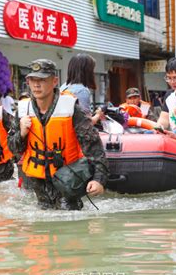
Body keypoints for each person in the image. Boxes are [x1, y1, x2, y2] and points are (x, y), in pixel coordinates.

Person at [8, 59, 108, 210]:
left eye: (42, 80)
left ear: (54, 81)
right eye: (32, 80)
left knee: (69, 218)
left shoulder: (71, 108)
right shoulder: (22, 110)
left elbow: (93, 144)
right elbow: (12, 148)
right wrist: (21, 133)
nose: (36, 84)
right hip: (37, 181)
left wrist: (99, 179)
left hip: (68, 178)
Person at [60, 53, 104, 125]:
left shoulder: (64, 87)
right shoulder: (82, 90)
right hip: (75, 134)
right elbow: (87, 123)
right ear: (87, 71)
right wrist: (98, 114)